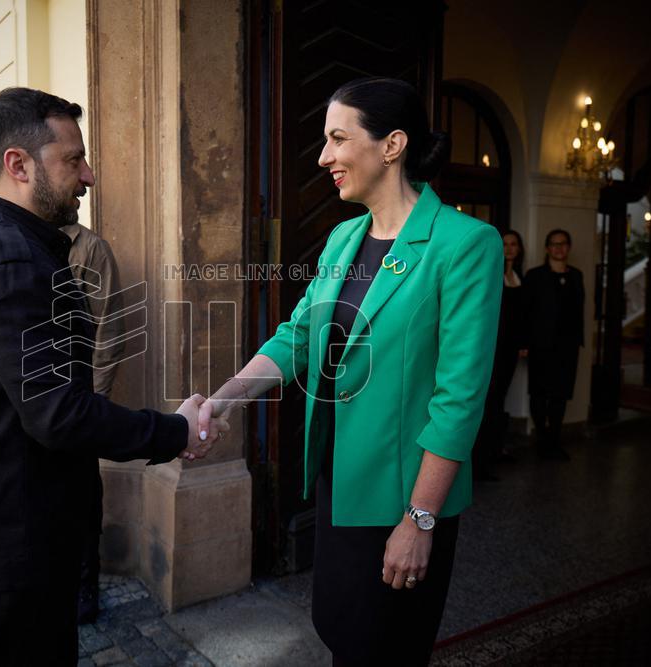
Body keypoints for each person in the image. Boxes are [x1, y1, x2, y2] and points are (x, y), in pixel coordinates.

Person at [196, 77, 502, 665]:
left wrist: (420, 520)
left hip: (404, 499)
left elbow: (459, 399)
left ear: (391, 145)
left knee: (385, 648)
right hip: (340, 484)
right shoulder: (343, 237)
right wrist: (224, 401)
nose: (324, 157)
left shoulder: (465, 244)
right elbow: (299, 338)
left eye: (338, 139)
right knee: (340, 632)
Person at [0, 87, 226, 665]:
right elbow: (58, 412)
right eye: (73, 160)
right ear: (18, 165)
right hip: (10, 552)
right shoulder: (12, 259)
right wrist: (174, 432)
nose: (87, 176)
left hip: (4, 540)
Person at [60, 221, 129, 624]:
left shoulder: (91, 249)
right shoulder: (21, 238)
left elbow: (110, 330)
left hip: (78, 393)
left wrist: (94, 399)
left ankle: (87, 581)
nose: (83, 179)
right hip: (31, 394)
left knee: (83, 492)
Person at [521, 229, 585, 461]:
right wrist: (524, 342)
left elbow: (579, 312)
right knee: (539, 393)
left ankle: (554, 441)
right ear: (547, 248)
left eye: (563, 243)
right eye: (554, 244)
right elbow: (525, 312)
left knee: (560, 395)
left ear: (569, 247)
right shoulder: (535, 276)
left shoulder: (577, 276)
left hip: (568, 347)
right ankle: (542, 441)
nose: (559, 248)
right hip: (540, 345)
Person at [472, 229, 525, 480]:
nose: (510, 248)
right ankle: (479, 461)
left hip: (510, 348)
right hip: (490, 346)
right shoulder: (489, 273)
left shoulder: (518, 276)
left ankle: (494, 452)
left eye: (514, 244)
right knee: (486, 401)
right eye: (505, 244)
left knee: (499, 399)